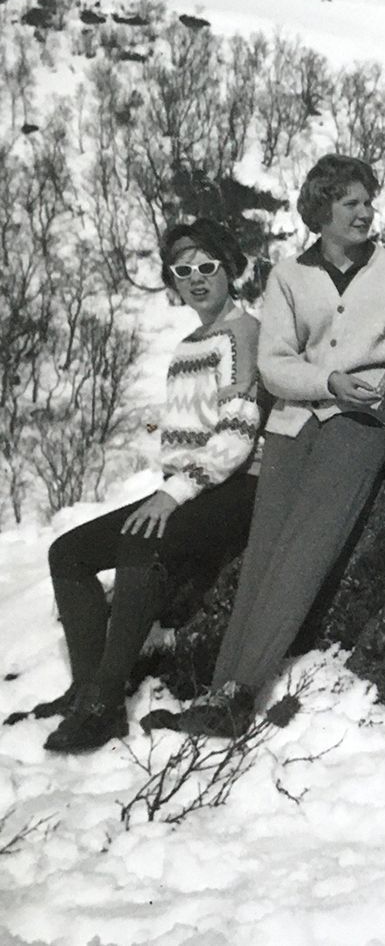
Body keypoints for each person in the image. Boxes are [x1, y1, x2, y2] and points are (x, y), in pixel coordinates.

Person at [153, 155, 385, 736]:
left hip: (367, 421)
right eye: (351, 204)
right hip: (291, 423)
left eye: (368, 201)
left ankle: (241, 692)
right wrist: (327, 381)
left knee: (307, 545)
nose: (365, 213)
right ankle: (216, 692)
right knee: (265, 551)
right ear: (321, 212)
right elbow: (275, 365)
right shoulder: (288, 276)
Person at [25, 219, 263, 753]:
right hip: (190, 487)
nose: (197, 278)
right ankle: (87, 687)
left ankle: (106, 705)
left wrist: (170, 496)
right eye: (184, 270)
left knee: (140, 541)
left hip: (236, 486)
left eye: (208, 266)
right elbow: (183, 432)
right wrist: (168, 478)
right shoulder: (187, 346)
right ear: (173, 282)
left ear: (230, 269)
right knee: (69, 553)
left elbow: (236, 437)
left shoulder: (242, 334)